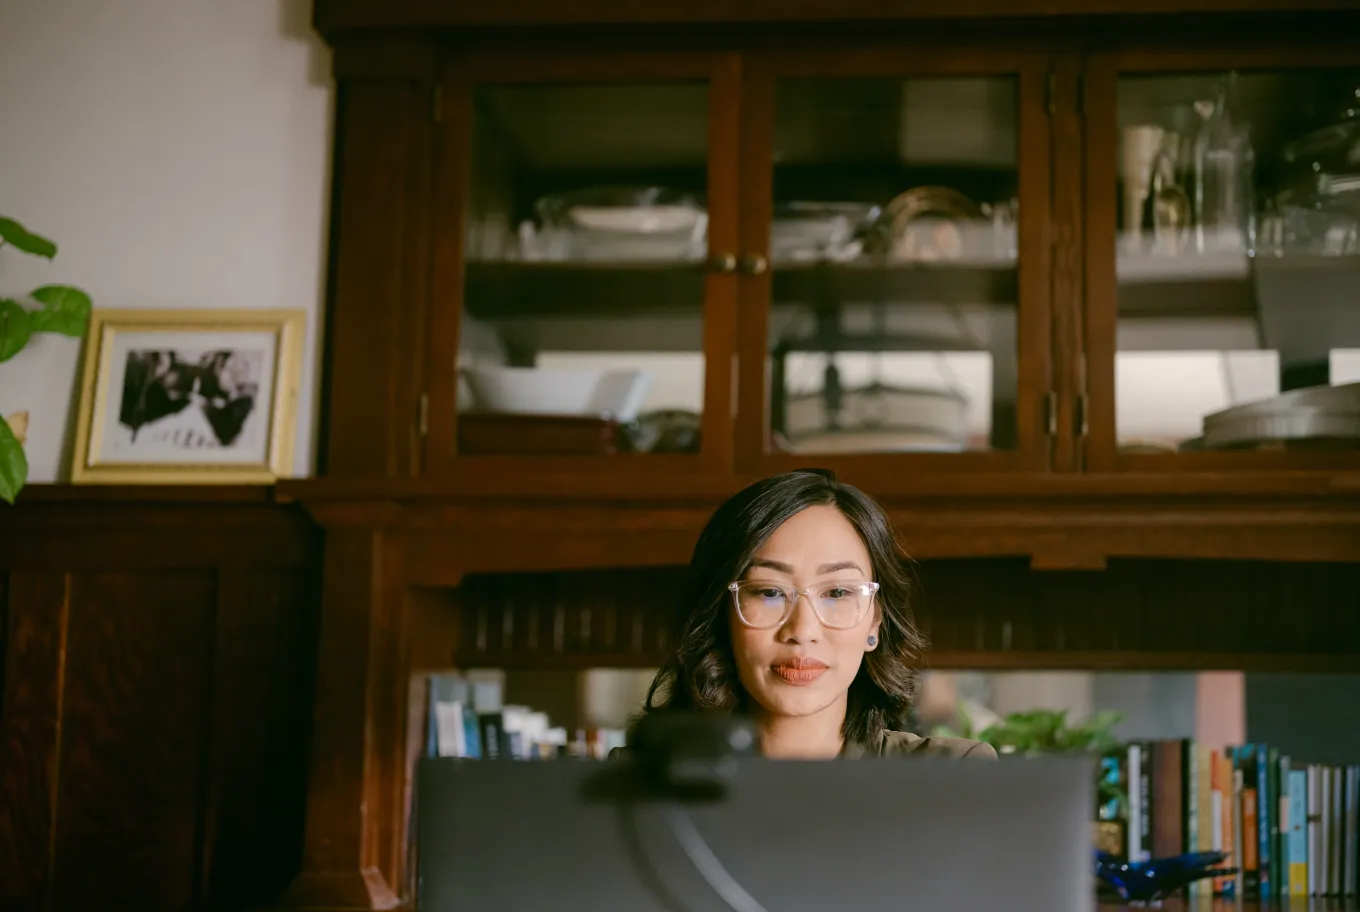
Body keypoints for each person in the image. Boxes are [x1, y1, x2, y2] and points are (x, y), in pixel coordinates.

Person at [636, 469, 997, 761]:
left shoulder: (952, 776)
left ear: (875, 621)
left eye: (837, 592)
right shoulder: (628, 790)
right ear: (720, 613)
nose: (802, 630)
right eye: (770, 592)